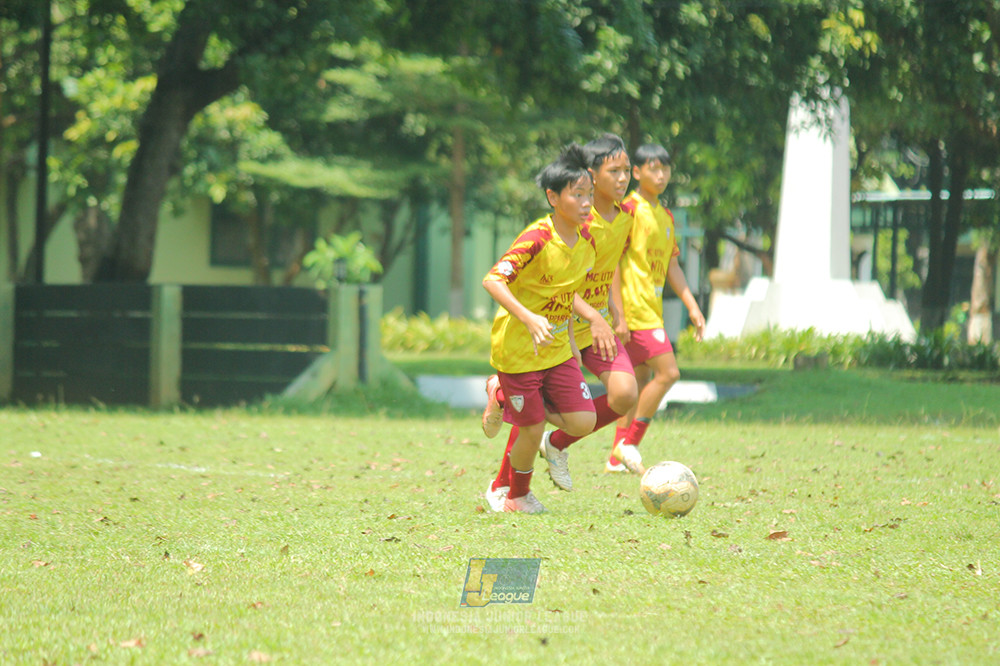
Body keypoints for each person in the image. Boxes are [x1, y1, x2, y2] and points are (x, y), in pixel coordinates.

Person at [481, 143, 598, 514]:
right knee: (530, 429)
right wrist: (529, 318)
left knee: (584, 421)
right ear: (553, 197)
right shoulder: (536, 238)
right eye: (577, 195)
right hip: (518, 351)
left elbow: (566, 294)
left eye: (589, 195)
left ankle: (507, 397)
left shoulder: (586, 244)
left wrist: (571, 342)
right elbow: (493, 280)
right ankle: (517, 496)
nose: (585, 203)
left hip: (558, 349)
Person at [534, 133, 640, 492]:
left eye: (627, 170)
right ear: (593, 176)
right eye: (614, 171)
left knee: (625, 394)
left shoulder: (625, 218)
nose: (623, 179)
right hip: (561, 323)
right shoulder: (579, 218)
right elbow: (563, 282)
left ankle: (557, 444)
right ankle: (508, 486)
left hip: (597, 326)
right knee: (533, 406)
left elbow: (607, 270)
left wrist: (616, 314)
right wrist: (594, 317)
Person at [607, 143, 705, 473]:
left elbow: (672, 265)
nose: (661, 175)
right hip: (636, 313)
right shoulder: (629, 210)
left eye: (665, 168)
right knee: (669, 373)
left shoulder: (665, 215)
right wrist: (617, 313)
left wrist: (692, 305)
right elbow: (614, 262)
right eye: (653, 168)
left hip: (652, 310)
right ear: (637, 172)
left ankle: (615, 456)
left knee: (639, 378)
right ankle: (630, 443)